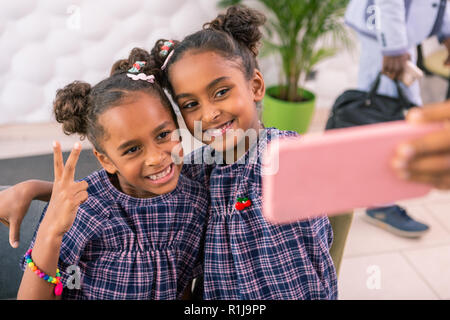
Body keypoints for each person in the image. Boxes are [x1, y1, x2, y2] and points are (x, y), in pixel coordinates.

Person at [2, 6, 338, 300]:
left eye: (221, 91)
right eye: (191, 104)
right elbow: (120, 193)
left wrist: (391, 164)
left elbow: (354, 171)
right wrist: (33, 188)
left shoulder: (290, 152)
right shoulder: (196, 172)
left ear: (255, 85)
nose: (208, 114)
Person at [16, 48, 209, 299]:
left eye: (163, 135)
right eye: (132, 149)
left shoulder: (194, 202)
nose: (155, 158)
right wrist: (50, 231)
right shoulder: (84, 212)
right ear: (105, 160)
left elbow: (183, 286)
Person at [344, 0, 450, 237]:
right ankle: (379, 204)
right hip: (386, 35)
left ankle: (378, 196)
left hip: (400, 36)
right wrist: (392, 48)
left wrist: (447, 31)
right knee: (384, 118)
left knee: (397, 117)